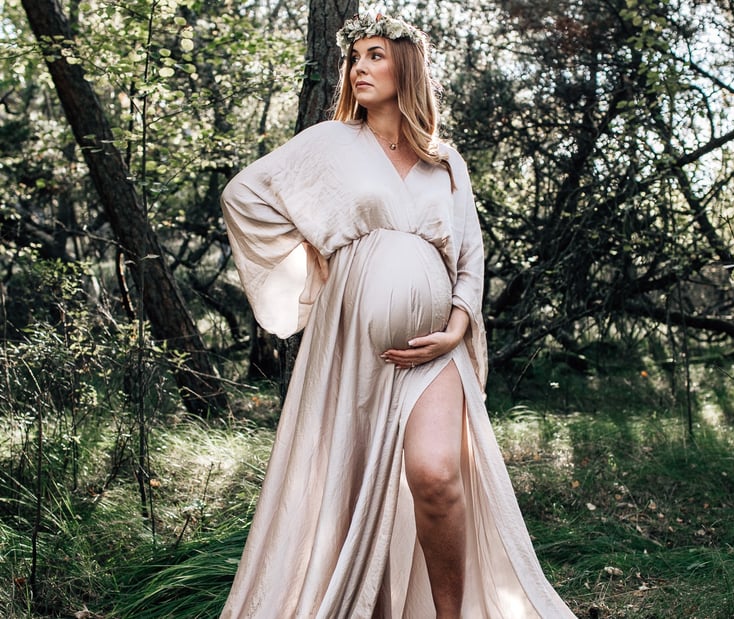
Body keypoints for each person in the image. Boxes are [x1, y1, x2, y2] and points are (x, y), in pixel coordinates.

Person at [219, 11, 575, 619]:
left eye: (375, 55)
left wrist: (457, 327)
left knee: (436, 476)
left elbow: (469, 255)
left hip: (436, 347)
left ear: (406, 65)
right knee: (350, 479)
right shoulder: (330, 143)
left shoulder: (445, 161)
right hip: (352, 344)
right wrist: (325, 262)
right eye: (353, 57)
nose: (359, 68)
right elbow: (244, 195)